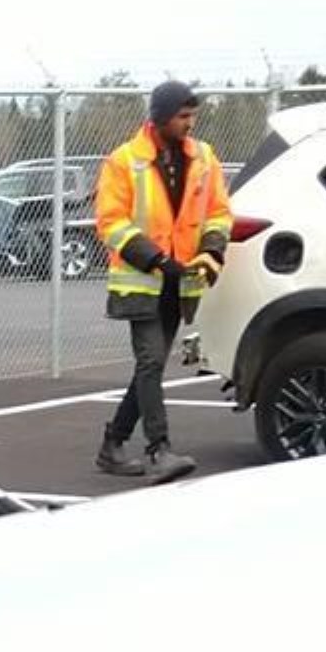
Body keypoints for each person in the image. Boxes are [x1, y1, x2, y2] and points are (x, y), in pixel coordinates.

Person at [93, 80, 233, 483]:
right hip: (142, 282)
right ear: (160, 118)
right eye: (183, 116)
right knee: (152, 362)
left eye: (193, 115)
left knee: (148, 368)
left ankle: (112, 444)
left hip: (180, 283)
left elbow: (219, 212)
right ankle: (159, 450)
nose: (191, 123)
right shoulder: (124, 161)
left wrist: (211, 252)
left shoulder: (204, 158)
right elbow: (110, 222)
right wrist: (155, 260)